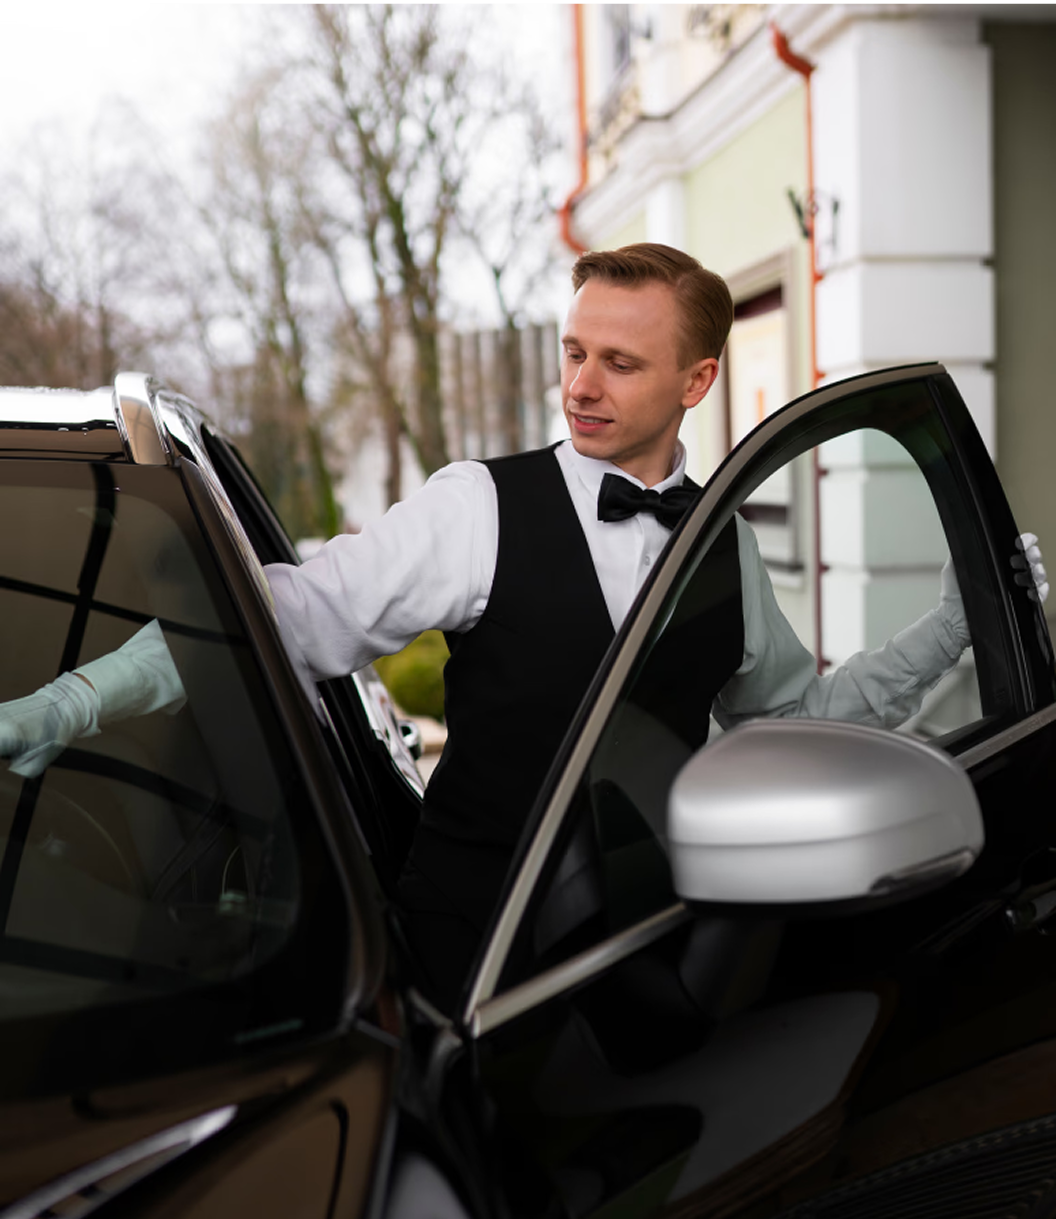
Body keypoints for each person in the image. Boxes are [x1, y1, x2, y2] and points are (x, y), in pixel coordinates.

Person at [0, 244, 1047, 1009]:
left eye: (620, 363)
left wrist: (956, 628)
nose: (580, 385)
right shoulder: (477, 506)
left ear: (697, 381)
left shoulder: (720, 542)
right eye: (573, 350)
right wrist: (72, 698)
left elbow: (802, 718)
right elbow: (285, 615)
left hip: (640, 957)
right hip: (469, 960)